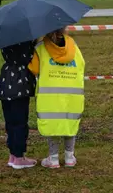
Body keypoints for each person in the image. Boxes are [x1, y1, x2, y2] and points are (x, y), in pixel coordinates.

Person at [28, 27, 85, 168]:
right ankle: (69, 157)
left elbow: (33, 69)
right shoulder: (73, 46)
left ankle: (53, 159)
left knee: (53, 124)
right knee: (69, 123)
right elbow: (82, 65)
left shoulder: (40, 48)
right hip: (72, 94)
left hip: (50, 98)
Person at [0, 40, 38, 169]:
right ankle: (19, 157)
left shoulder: (5, 39)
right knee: (20, 122)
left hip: (5, 81)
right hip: (20, 84)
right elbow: (28, 58)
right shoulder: (24, 42)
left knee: (10, 122)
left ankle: (13, 155)